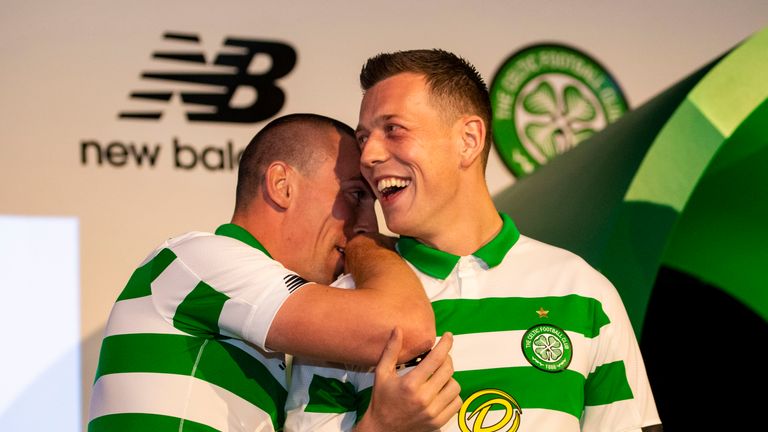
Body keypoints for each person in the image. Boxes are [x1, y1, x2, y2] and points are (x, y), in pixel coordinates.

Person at [286, 50, 663, 431]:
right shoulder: (342, 305)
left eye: (394, 129)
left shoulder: (583, 293)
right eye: (363, 138)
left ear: (469, 140)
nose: (368, 155)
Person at [87, 113, 459, 432]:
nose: (367, 222)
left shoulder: (258, 326)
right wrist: (367, 246)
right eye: (356, 196)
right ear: (282, 186)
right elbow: (406, 326)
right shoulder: (201, 260)